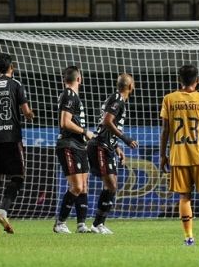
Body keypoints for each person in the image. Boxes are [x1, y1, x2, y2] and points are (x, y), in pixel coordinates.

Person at [159, 64, 199, 246]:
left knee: (184, 196)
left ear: (179, 80)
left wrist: (163, 154)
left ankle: (189, 238)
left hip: (178, 155)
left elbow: (165, 130)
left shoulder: (169, 99)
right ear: (198, 81)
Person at [0, 53, 35, 234]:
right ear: (12, 67)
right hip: (11, 138)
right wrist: (30, 115)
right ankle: (3, 211)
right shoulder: (16, 85)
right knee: (18, 177)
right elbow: (26, 111)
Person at [87, 73, 138, 234]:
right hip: (100, 146)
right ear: (130, 86)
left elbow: (106, 126)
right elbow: (106, 122)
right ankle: (96, 224)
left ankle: (98, 224)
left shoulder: (115, 98)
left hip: (108, 146)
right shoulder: (117, 100)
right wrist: (125, 139)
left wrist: (117, 148)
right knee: (110, 185)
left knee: (111, 186)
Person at [53, 66, 95, 234]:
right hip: (68, 144)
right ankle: (60, 223)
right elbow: (65, 122)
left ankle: (81, 224)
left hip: (79, 145)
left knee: (84, 186)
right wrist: (85, 132)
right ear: (79, 79)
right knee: (76, 186)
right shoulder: (69, 95)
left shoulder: (72, 95)